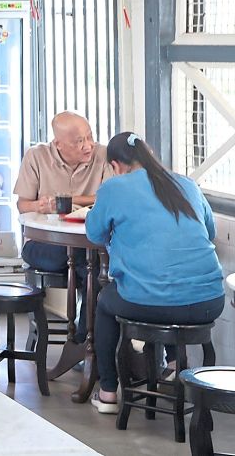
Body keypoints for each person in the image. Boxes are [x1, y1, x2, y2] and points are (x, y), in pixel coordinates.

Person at [86, 132, 225, 414]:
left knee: (104, 302)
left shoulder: (115, 188)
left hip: (150, 303)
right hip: (209, 303)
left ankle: (109, 393)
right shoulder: (185, 183)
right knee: (165, 288)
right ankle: (174, 367)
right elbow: (209, 232)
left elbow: (94, 233)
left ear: (116, 165)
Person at [15, 111, 112, 341]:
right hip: (43, 245)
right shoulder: (36, 156)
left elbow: (110, 197)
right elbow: (22, 205)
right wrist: (41, 205)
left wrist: (69, 198)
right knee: (94, 268)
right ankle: (86, 340)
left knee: (93, 265)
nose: (88, 146)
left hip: (86, 244)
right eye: (79, 141)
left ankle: (86, 340)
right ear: (58, 144)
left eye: (90, 137)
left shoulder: (103, 155)